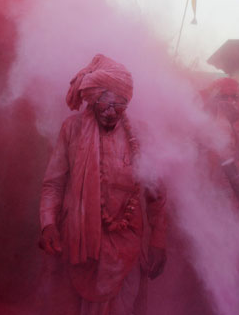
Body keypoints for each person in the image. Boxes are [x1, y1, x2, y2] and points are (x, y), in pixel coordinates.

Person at [39, 54, 167, 315]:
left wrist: (158, 240)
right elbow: (54, 183)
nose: (112, 111)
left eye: (120, 105)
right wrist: (48, 223)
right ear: (93, 99)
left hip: (125, 250)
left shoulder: (141, 135)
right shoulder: (72, 129)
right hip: (77, 246)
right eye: (106, 103)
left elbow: (156, 193)